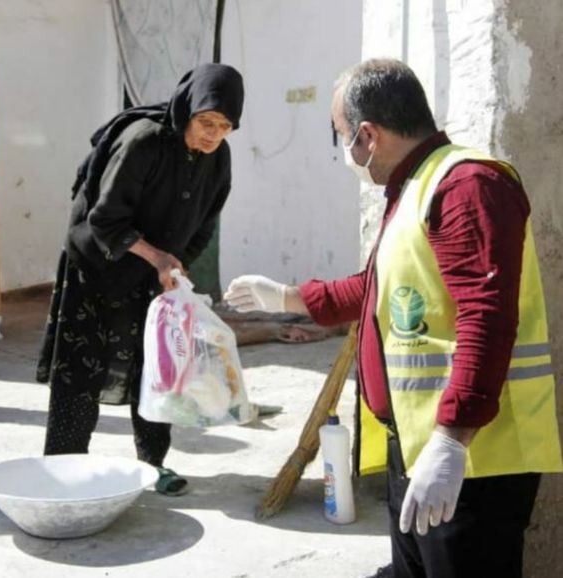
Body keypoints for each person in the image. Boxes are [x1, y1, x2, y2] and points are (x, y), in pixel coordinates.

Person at [225, 59, 562, 577]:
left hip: (474, 459)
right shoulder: (414, 188)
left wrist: (452, 440)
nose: (346, 153)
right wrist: (291, 296)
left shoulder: (465, 186)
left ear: (368, 135)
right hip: (421, 446)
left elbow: (486, 317)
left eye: (341, 136)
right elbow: (378, 285)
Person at [37, 63, 244, 496]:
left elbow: (205, 221)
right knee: (82, 371)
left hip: (154, 271)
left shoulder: (218, 157)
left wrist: (176, 265)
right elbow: (105, 218)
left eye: (224, 127)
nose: (212, 134)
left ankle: (154, 465)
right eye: (206, 122)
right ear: (187, 111)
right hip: (97, 264)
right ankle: (63, 471)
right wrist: (158, 256)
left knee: (157, 368)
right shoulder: (144, 141)